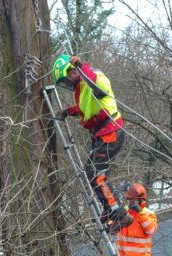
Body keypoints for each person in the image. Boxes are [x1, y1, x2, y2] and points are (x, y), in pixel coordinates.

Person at [52, 54, 132, 232]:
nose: (68, 83)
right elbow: (84, 108)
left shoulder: (94, 76)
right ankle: (109, 208)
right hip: (101, 134)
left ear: (73, 71)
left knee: (96, 174)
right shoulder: (81, 87)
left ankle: (120, 215)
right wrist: (67, 111)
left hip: (111, 131)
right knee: (92, 173)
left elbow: (99, 88)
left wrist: (82, 66)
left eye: (67, 78)